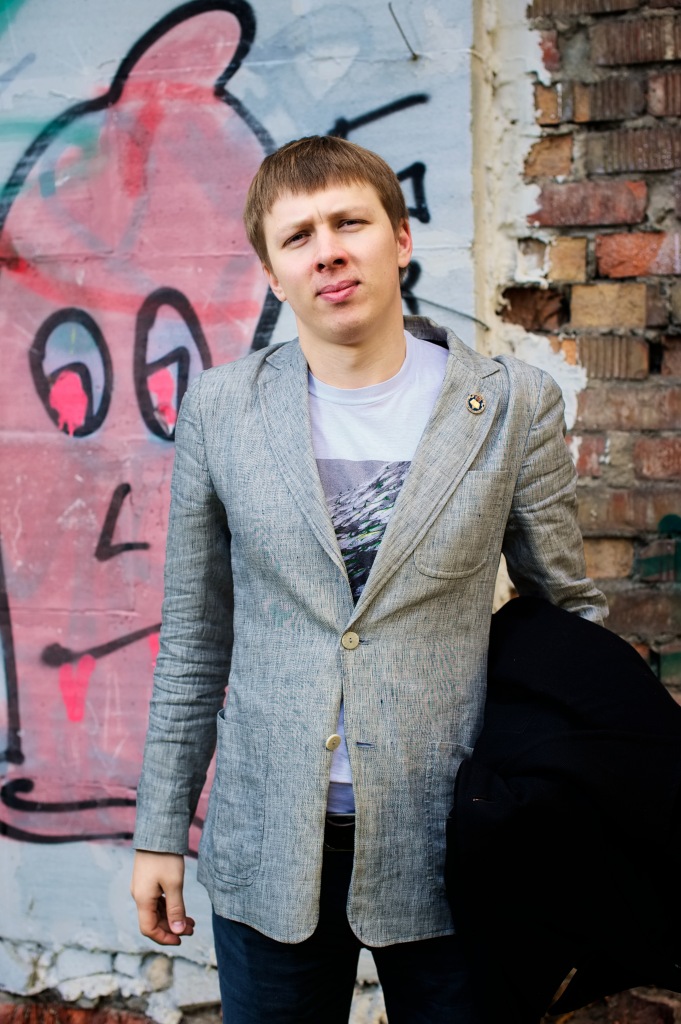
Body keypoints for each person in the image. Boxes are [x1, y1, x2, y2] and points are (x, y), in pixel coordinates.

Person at [131, 135, 607, 1023]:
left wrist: (564, 807)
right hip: (270, 841)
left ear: (400, 238)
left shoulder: (510, 404)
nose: (327, 251)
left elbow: (566, 622)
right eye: (298, 236)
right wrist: (160, 831)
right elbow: (193, 639)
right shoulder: (220, 410)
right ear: (273, 274)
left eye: (349, 222)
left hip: (453, 840)